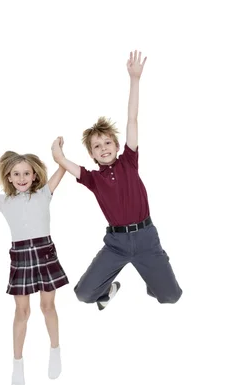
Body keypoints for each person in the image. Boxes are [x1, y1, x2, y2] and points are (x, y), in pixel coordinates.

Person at [51, 50, 183, 311]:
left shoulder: (128, 161)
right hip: (117, 244)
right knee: (84, 295)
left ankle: (154, 278)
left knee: (171, 296)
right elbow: (67, 164)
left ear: (117, 144)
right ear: (92, 154)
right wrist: (57, 155)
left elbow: (132, 118)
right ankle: (109, 290)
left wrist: (135, 79)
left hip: (146, 238)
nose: (103, 148)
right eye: (96, 146)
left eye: (107, 142)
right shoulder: (92, 179)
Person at [0, 150, 68, 385]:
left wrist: (58, 152)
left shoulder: (44, 193)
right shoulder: (4, 201)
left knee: (48, 306)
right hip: (21, 256)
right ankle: (17, 363)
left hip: (44, 252)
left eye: (26, 173)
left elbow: (62, 168)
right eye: (16, 174)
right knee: (22, 311)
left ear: (34, 176)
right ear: (9, 177)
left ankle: (55, 350)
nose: (22, 178)